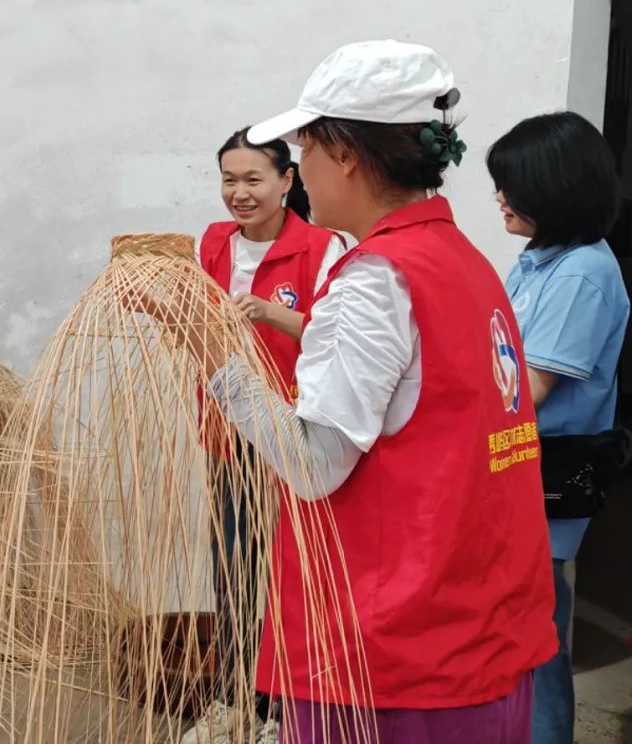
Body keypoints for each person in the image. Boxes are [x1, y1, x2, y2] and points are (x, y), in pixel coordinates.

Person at [149, 41, 555, 743]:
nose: (299, 169)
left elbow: (312, 465)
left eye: (303, 148)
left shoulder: (375, 280)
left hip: (393, 657)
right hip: (478, 632)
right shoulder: (464, 262)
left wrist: (217, 358)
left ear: (345, 154)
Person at [184, 130, 345, 744]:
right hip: (227, 433)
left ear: (287, 180)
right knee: (233, 570)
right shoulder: (214, 242)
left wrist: (270, 312)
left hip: (295, 437)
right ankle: (233, 701)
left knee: (296, 574)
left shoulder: (323, 247)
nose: (239, 193)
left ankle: (286, 707)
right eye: (229, 179)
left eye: (254, 180)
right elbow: (197, 318)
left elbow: (333, 337)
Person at [488, 111, 629, 744]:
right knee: (517, 634)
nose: (499, 199)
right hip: (514, 470)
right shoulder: (540, 258)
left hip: (544, 476)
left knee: (538, 641)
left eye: (512, 186)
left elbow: (528, 390)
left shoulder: (581, 274)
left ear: (557, 189)